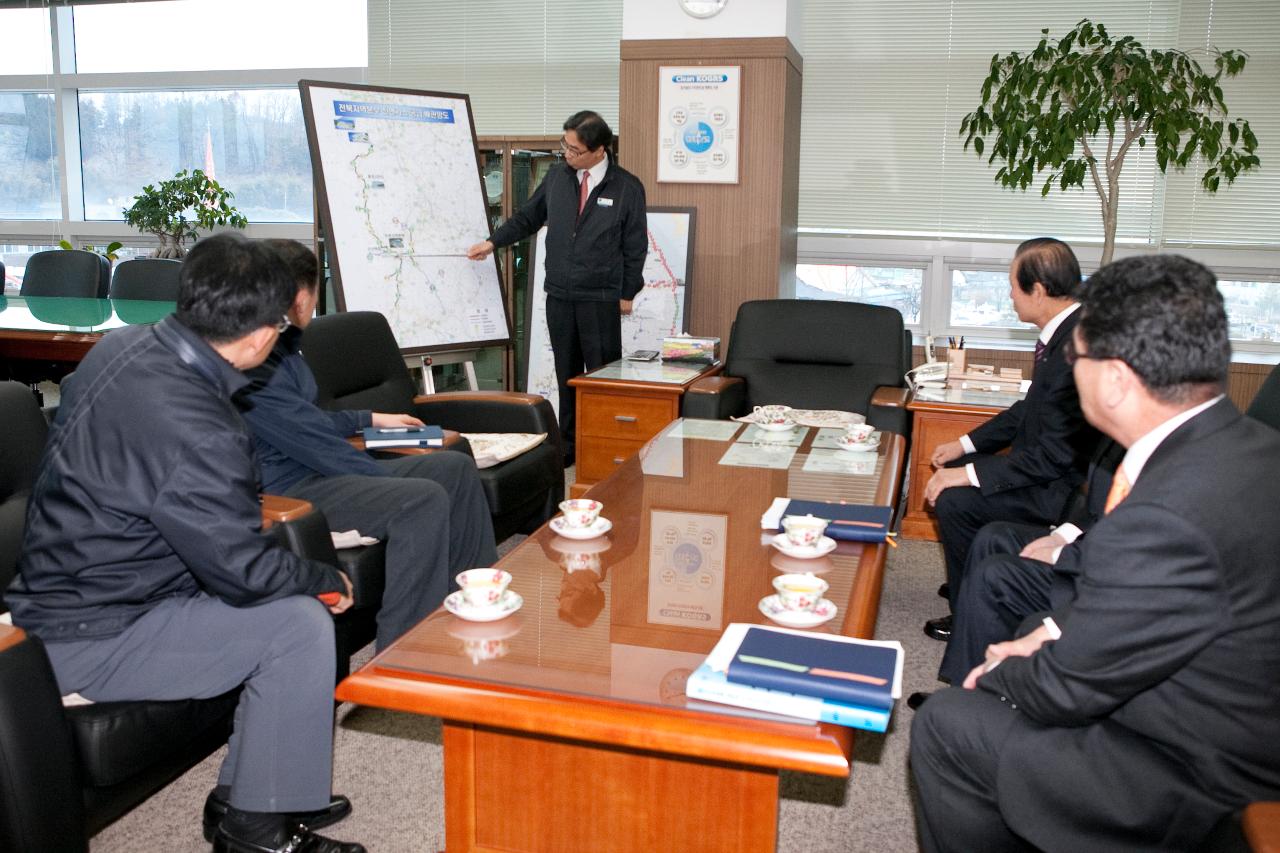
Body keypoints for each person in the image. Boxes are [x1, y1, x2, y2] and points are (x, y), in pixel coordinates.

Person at [5, 233, 364, 853]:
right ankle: (254, 828)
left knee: (285, 599)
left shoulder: (120, 346)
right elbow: (240, 571)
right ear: (258, 336)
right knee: (298, 624)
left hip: (75, 590)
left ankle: (253, 792)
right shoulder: (201, 424)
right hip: (96, 630)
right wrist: (325, 580)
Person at [910, 254, 1280, 853]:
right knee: (1031, 618)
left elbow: (1066, 689)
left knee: (948, 726)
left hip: (1193, 775)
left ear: (1112, 378)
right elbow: (1150, 602)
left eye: (1077, 358)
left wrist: (1002, 669)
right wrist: (1049, 629)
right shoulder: (1250, 448)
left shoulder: (1166, 515)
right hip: (1229, 706)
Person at [242, 238, 498, 650]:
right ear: (300, 295)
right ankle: (403, 653)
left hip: (313, 467)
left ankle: (474, 601)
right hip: (289, 490)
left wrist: (369, 419)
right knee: (422, 499)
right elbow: (311, 440)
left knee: (453, 465)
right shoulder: (254, 357)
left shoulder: (283, 344)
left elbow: (304, 421)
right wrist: (384, 477)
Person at [922, 237, 1097, 641]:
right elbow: (1027, 410)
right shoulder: (1066, 332)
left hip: (1061, 490)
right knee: (956, 481)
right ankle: (971, 583)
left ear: (1037, 290)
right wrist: (965, 446)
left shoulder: (1077, 347)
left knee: (954, 498)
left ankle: (971, 608)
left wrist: (967, 474)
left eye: (1013, 286)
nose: (1010, 296)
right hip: (1049, 473)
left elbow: (1054, 456)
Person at [467, 110, 648, 466]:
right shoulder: (558, 177)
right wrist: (493, 242)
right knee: (567, 373)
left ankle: (601, 444)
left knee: (600, 376)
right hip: (560, 294)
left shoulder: (626, 186)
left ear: (599, 151)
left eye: (574, 149)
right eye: (564, 145)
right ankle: (569, 446)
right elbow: (527, 217)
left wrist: (628, 292)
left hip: (600, 296)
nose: (566, 153)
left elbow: (635, 244)